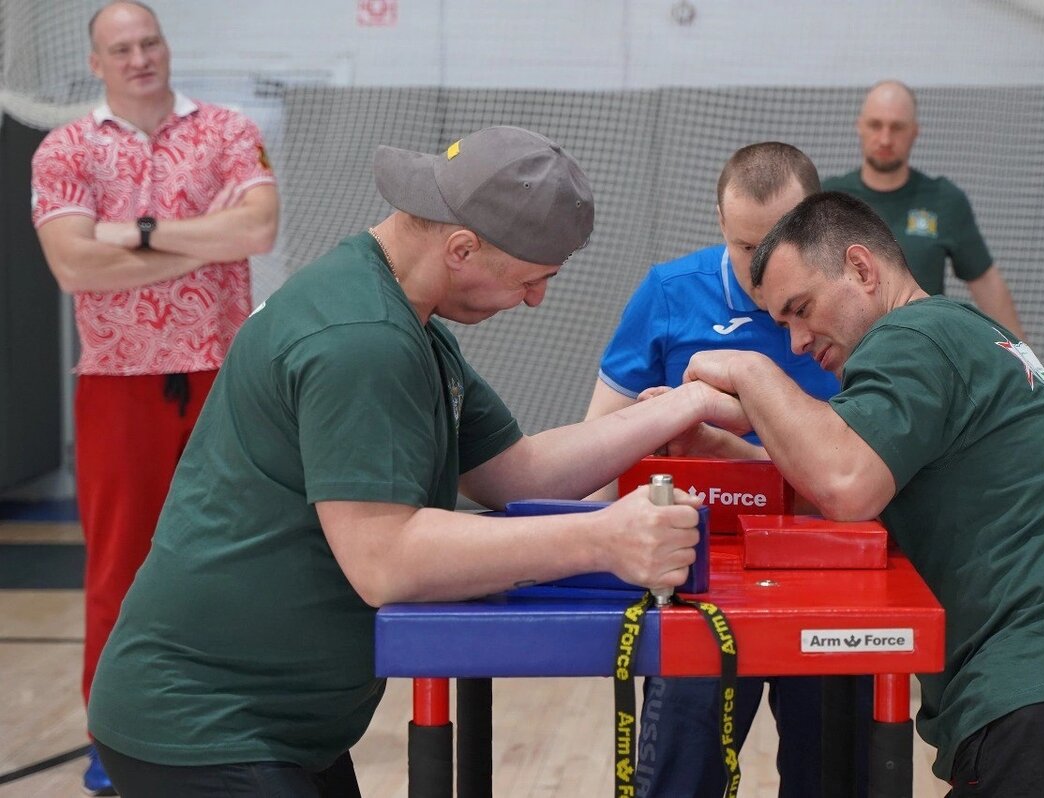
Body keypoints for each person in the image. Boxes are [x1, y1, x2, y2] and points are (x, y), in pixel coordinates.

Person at [84, 125, 748, 797]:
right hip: (206, 726)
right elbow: (386, 560)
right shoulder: (364, 340)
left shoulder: (402, 315)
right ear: (462, 248)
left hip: (271, 724)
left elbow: (515, 473)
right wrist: (603, 537)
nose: (536, 300)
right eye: (529, 281)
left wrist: (680, 406)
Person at [678, 191, 1044, 797]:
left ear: (863, 270)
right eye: (781, 325)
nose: (795, 342)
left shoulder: (909, 339)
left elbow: (844, 484)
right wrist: (736, 454)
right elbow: (846, 474)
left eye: (801, 309)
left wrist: (750, 372)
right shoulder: (961, 333)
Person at [29, 2, 279, 793]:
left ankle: (241, 724)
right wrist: (194, 235)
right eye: (122, 48)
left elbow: (258, 231)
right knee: (118, 567)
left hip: (222, 374)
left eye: (151, 42)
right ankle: (112, 735)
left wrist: (129, 233)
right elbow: (72, 266)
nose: (141, 58)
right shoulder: (64, 148)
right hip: (118, 380)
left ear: (166, 49)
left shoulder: (226, 130)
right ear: (96, 63)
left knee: (240, 557)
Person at [584, 142, 846, 798]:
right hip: (701, 580)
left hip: (829, 576)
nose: (758, 269)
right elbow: (597, 451)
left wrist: (730, 440)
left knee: (834, 778)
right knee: (679, 779)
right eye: (741, 246)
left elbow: (866, 472)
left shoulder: (858, 309)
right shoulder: (669, 295)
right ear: (719, 226)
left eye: (776, 245)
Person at [823, 80, 1027, 340]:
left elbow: (986, 281)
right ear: (859, 126)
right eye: (876, 125)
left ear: (915, 132)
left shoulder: (943, 199)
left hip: (925, 351)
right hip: (848, 354)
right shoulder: (828, 200)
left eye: (897, 127)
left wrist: (1026, 361)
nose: (885, 138)